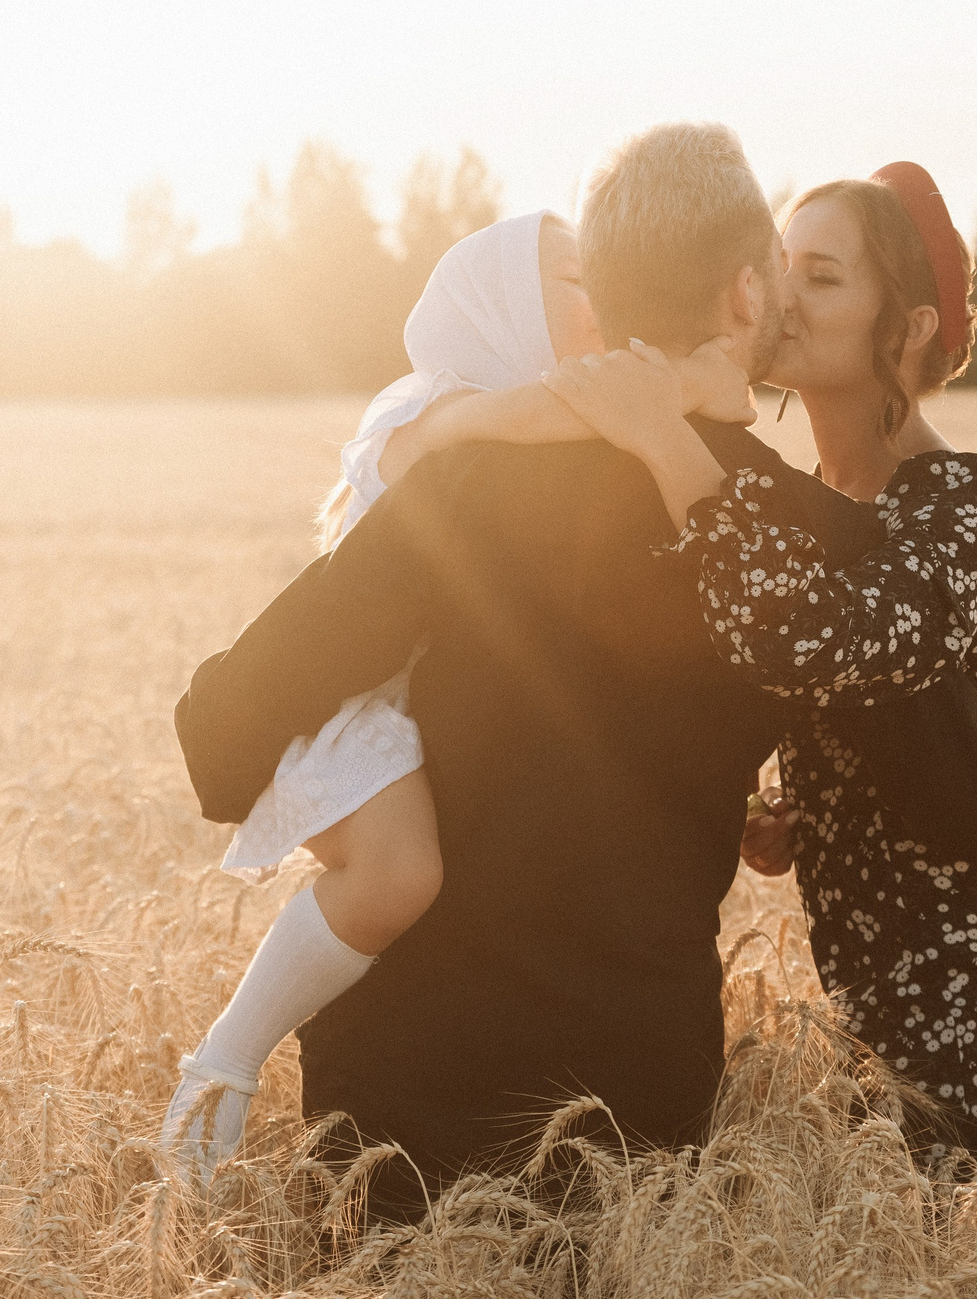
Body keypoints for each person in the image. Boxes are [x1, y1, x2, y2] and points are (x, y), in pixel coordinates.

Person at [171, 124, 977, 1216]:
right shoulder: (816, 546)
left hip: (392, 1106)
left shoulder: (465, 485)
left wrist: (362, 803)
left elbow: (219, 727)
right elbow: (956, 802)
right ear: (745, 295)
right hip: (631, 1116)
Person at [543, 164, 977, 1171]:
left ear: (907, 329)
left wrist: (667, 442)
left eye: (823, 277)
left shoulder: (960, 505)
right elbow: (866, 705)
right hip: (878, 969)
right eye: (780, 267)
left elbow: (821, 638)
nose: (784, 295)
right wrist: (804, 804)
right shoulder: (806, 499)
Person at [161, 209, 748, 1170]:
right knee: (400, 875)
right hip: (354, 712)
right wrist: (686, 384)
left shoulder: (559, 447)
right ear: (498, 302)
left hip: (402, 710)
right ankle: (224, 1060)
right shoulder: (436, 407)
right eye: (574, 280)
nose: (601, 298)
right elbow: (538, 415)